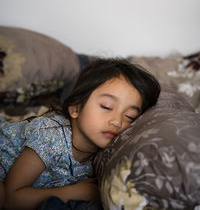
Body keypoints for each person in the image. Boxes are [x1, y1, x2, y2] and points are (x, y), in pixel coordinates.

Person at [0, 58, 161, 210]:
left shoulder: (104, 156)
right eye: (106, 106)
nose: (117, 122)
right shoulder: (50, 135)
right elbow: (11, 199)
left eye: (130, 117)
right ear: (76, 108)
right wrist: (75, 192)